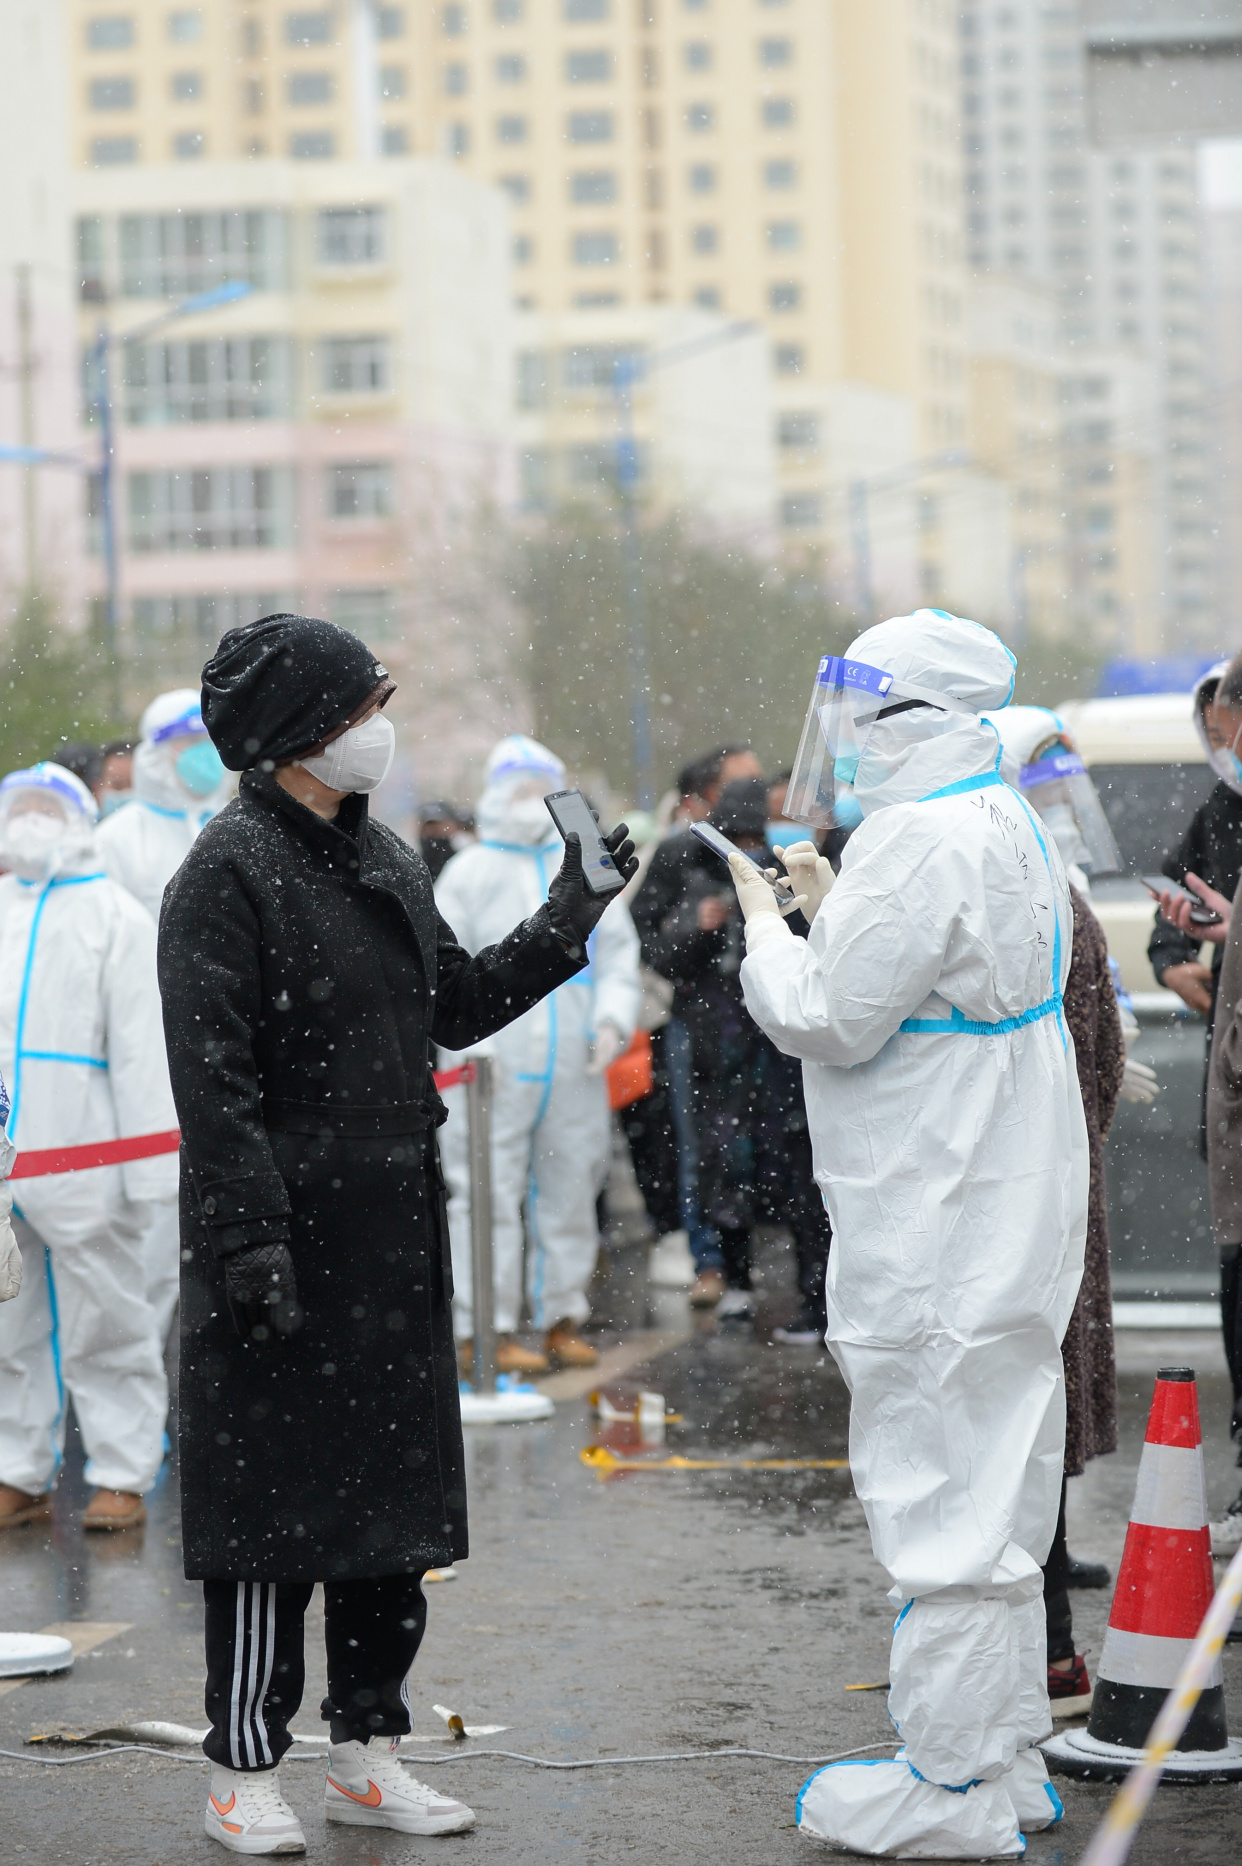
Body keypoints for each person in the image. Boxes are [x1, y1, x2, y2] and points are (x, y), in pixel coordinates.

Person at [159, 615, 635, 1854]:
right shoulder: (225, 874)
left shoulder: (382, 857)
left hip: (389, 1225)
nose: (385, 724)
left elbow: (459, 1001)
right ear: (303, 732)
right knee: (270, 1523)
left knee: (387, 1516)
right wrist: (250, 1241)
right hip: (279, 1231)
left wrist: (571, 912)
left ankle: (367, 1747)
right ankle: (241, 1767)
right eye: (368, 703)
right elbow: (214, 1091)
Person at [732, 611, 1088, 1857]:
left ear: (910, 718)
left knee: (934, 1469)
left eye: (862, 718)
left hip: (933, 1195)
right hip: (1008, 1184)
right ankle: (999, 1760)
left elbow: (832, 1016)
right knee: (998, 1470)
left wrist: (772, 937)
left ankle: (945, 1782)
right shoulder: (1007, 818)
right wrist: (848, 909)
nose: (845, 744)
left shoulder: (919, 834)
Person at [989, 706, 1128, 1717]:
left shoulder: (1001, 886)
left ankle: (1035, 1649)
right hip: (1060, 1176)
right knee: (1046, 1398)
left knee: (1007, 1417)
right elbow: (1108, 1059)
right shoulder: (1060, 894)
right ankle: (1046, 1640)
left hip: (999, 1194)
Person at [0, 763, 176, 1534]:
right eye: (19, 808)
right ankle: (16, 1469)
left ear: (78, 818)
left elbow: (141, 1053)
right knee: (7, 1324)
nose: (32, 820)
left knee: (109, 1318)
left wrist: (150, 1175)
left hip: (89, 1151)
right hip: (9, 1161)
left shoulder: (115, 917)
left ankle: (122, 1472)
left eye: (48, 807)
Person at [434, 735, 640, 1373]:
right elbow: (446, 975)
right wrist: (477, 1044)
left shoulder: (584, 869)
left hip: (573, 1061)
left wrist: (611, 1020)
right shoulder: (467, 871)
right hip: (489, 1065)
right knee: (485, 1194)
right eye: (518, 786)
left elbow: (619, 954)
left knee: (571, 1187)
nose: (530, 799)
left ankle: (561, 1316)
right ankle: (482, 1329)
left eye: (541, 785)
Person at [99, 690, 230, 1344]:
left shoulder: (226, 829)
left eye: (211, 744)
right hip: (145, 1055)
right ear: (158, 753)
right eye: (189, 747)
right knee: (150, 1236)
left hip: (223, 1051)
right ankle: (142, 1395)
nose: (205, 760)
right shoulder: (116, 841)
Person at [1147, 649, 1242, 1551]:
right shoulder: (1220, 813)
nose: (1225, 753)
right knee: (1238, 1285)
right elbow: (1171, 912)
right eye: (1213, 739)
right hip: (1233, 1083)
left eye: (1231, 734)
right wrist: (1179, 960)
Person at [631, 746, 765, 1305]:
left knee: (757, 1147)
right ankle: (708, 1261)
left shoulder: (771, 853)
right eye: (738, 786)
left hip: (762, 1020)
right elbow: (647, 943)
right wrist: (696, 925)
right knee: (698, 1147)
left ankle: (747, 1268)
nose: (750, 798)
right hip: (699, 1023)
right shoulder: (678, 856)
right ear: (707, 798)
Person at [417, 800, 472, 882]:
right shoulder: (414, 863)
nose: (432, 831)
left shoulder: (463, 858)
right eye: (427, 826)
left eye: (437, 826)